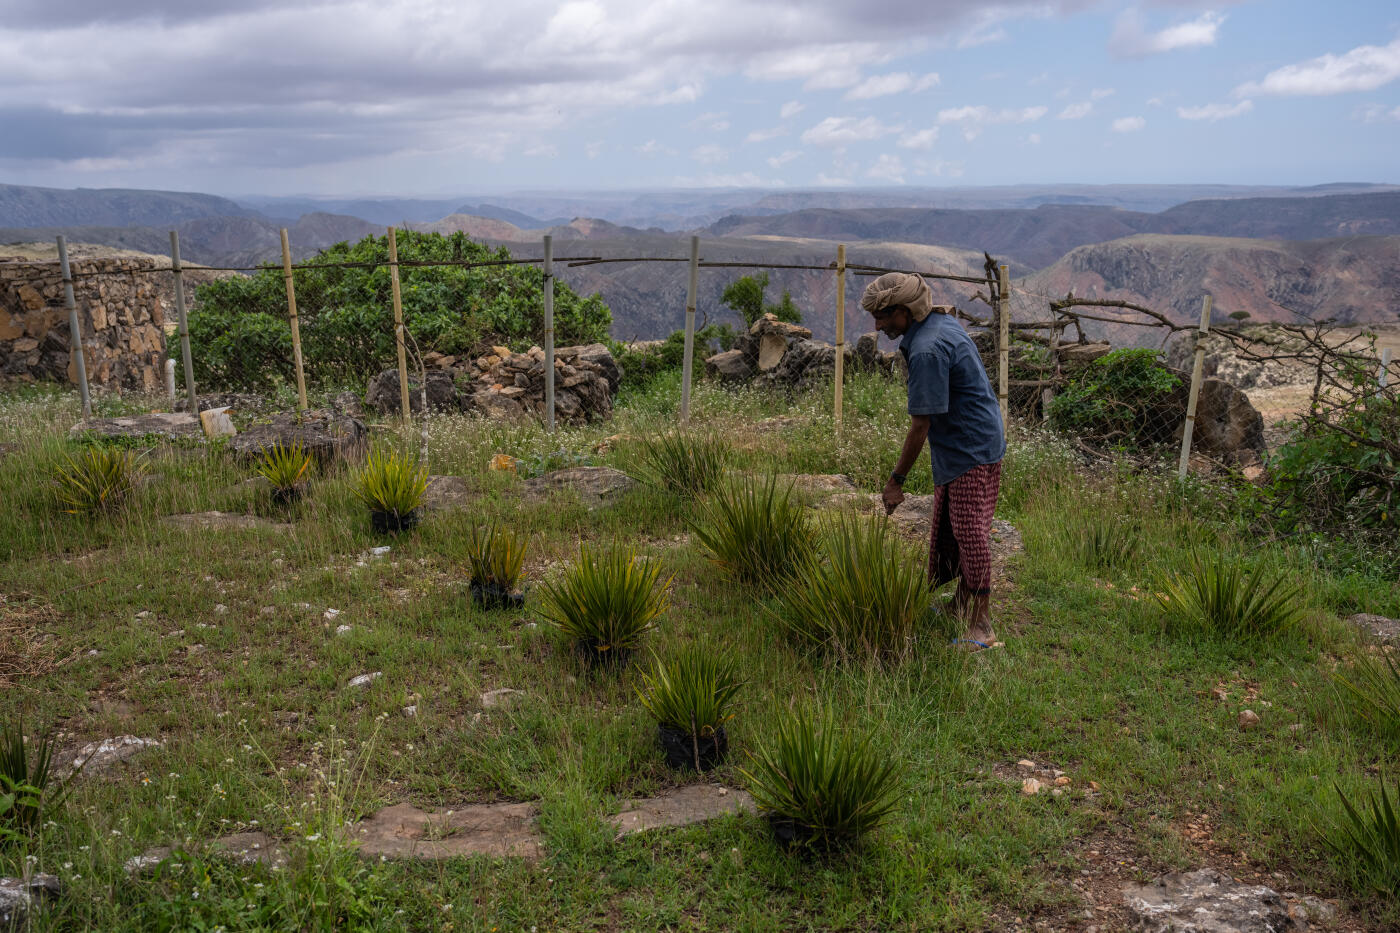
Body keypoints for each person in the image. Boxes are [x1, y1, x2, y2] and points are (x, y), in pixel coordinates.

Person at [860, 272, 1007, 650]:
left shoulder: (927, 348)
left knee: (970, 532)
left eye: (884, 316)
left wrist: (896, 481)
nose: (878, 325)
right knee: (951, 526)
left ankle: (982, 626)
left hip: (970, 448)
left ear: (906, 311)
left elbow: (920, 425)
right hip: (964, 442)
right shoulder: (938, 323)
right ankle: (960, 604)